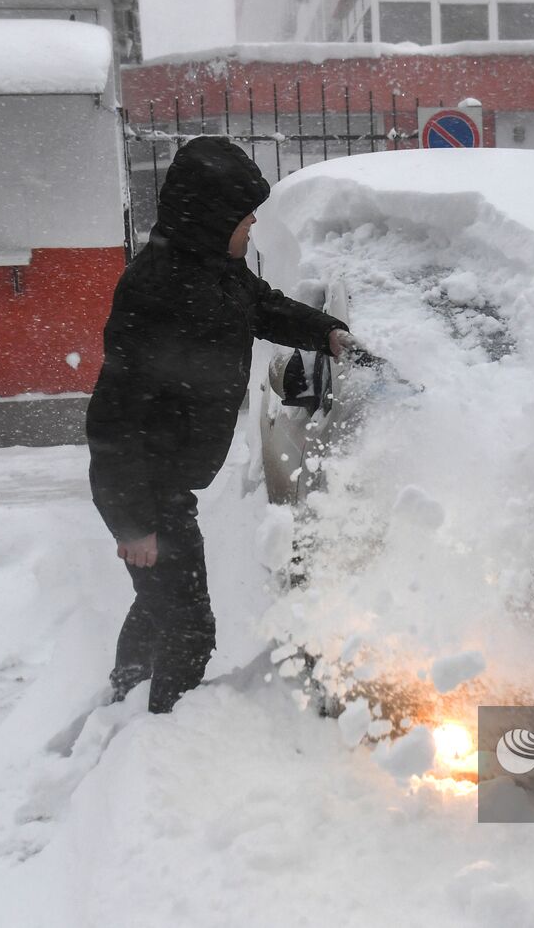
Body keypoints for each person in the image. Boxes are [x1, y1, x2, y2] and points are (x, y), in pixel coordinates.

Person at [86, 136, 350, 714]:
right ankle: (160, 733)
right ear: (211, 216)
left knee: (159, 606)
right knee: (190, 632)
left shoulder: (217, 270)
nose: (253, 224)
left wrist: (327, 332)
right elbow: (112, 416)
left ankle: (124, 696)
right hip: (147, 487)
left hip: (168, 483)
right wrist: (132, 524)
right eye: (244, 216)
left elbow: (265, 307)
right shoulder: (154, 289)